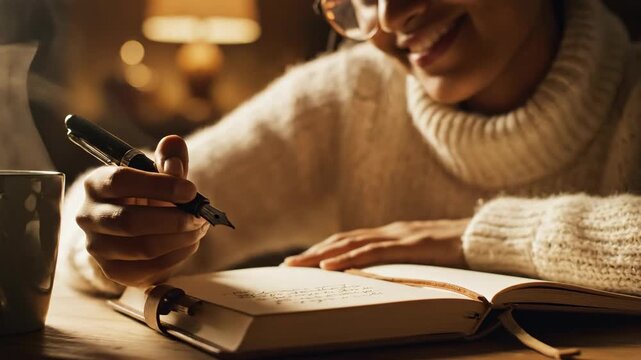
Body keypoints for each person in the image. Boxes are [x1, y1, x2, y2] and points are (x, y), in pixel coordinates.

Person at [62, 0, 641, 297]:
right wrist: (115, 231)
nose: (389, 16)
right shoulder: (347, 96)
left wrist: (477, 241)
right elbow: (91, 221)